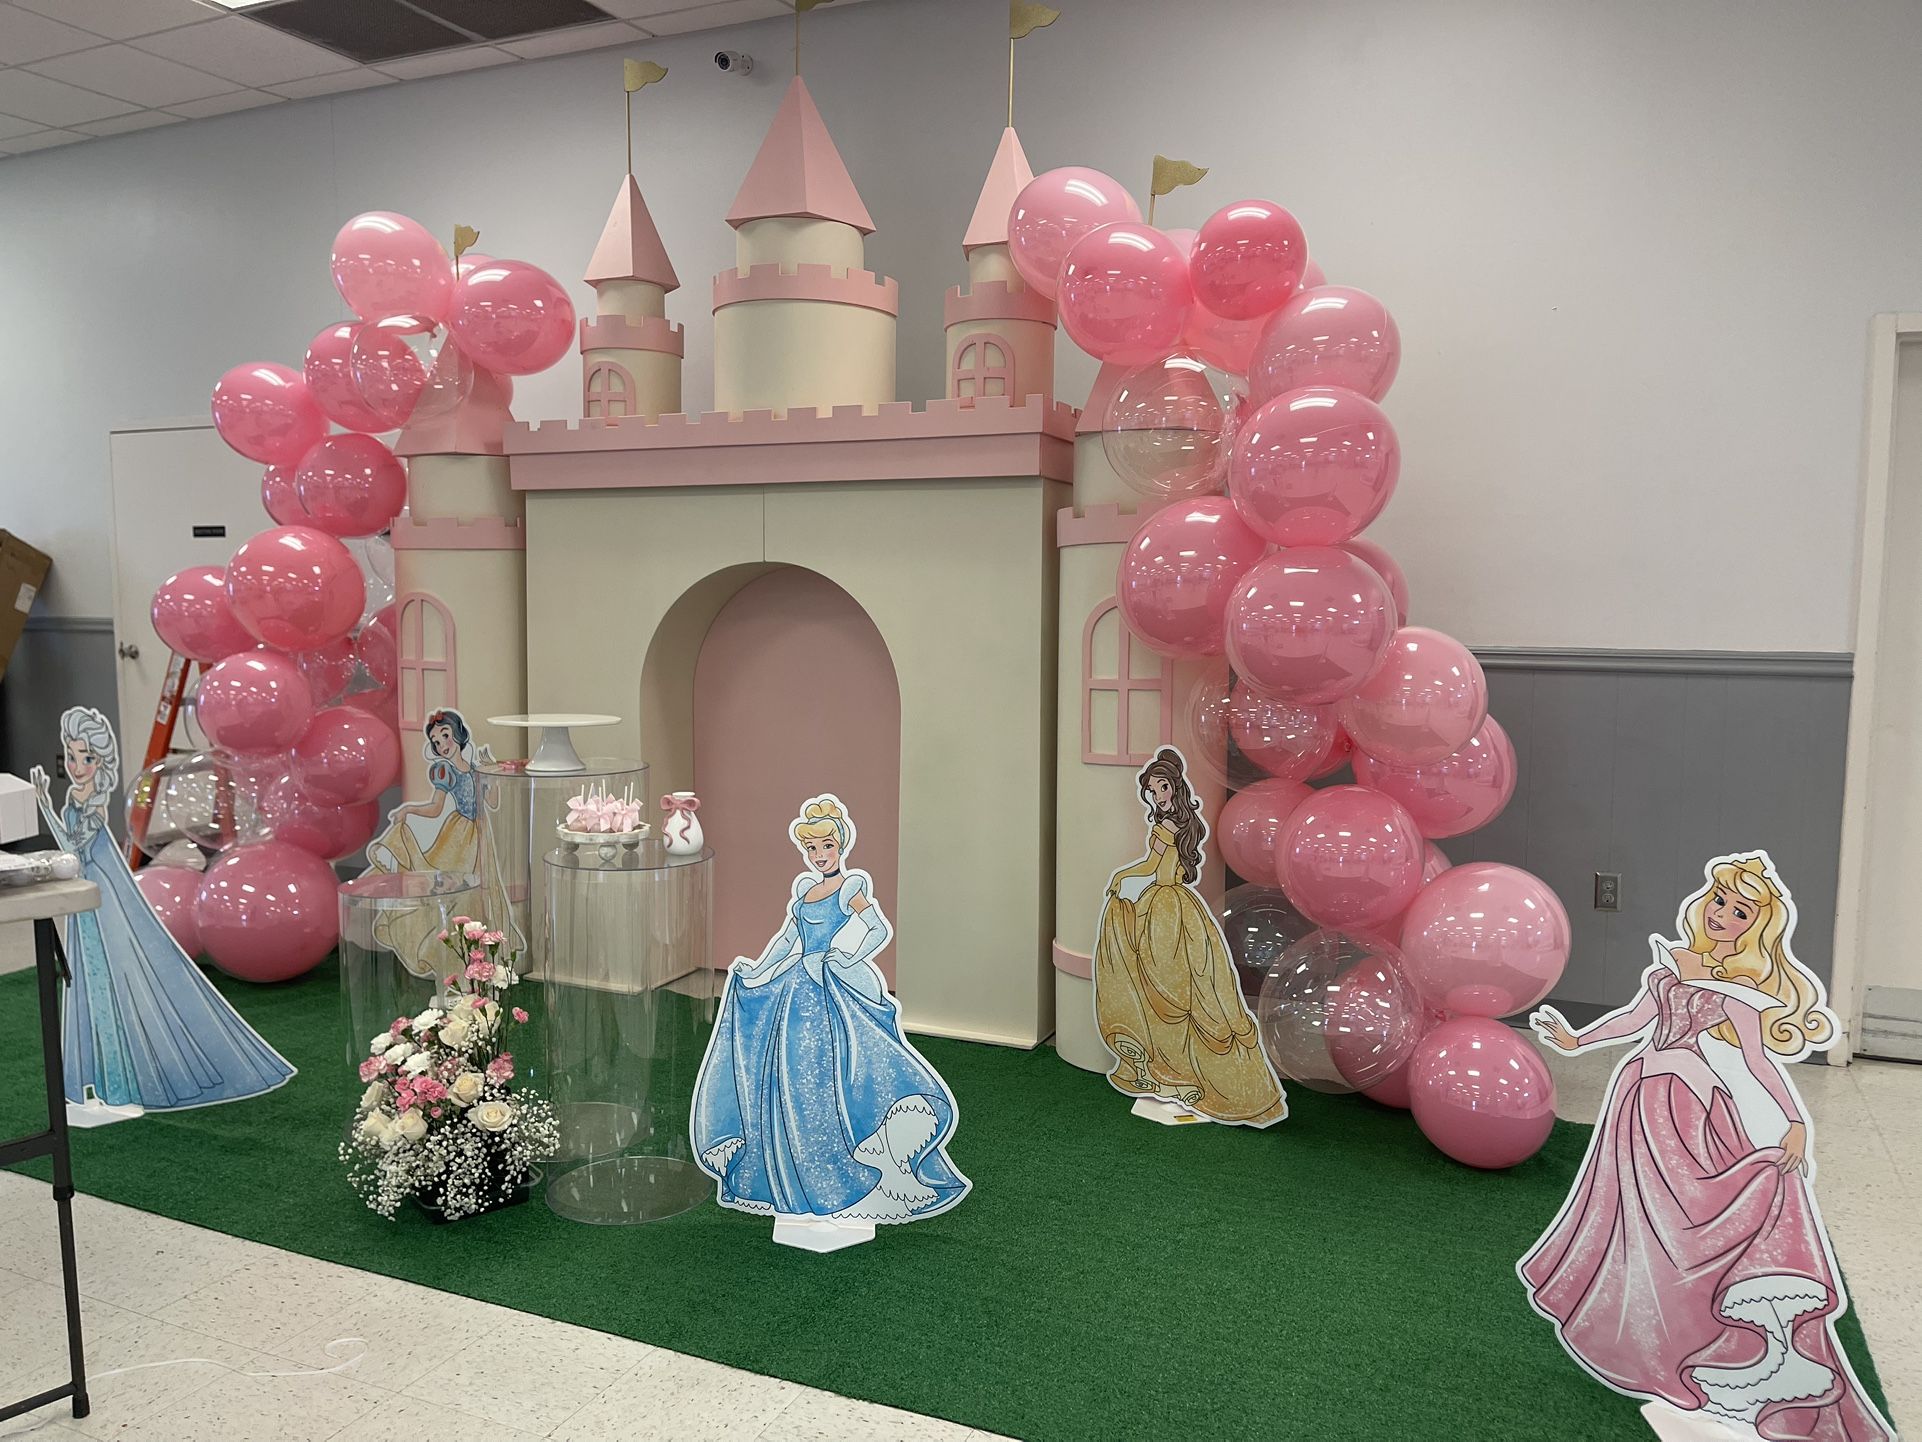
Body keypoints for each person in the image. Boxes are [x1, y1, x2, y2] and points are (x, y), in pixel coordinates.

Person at [1521, 853, 1894, 1442]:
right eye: (1720, 901)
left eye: (1741, 911)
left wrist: (1793, 1121)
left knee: (1693, 1213)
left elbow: (1758, 1061)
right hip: (1639, 1100)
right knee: (1638, 1218)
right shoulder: (1673, 963)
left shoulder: (1736, 991)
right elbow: (1635, 1020)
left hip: (1687, 1106)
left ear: (1756, 926)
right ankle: (1644, 1328)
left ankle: (1716, 1345)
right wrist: (1576, 1039)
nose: (1723, 914)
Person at [691, 795, 969, 1228]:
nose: (820, 855)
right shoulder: (804, 890)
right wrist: (758, 971)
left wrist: (846, 957)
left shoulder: (850, 887)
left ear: (841, 846)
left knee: (827, 1071)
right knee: (788, 1075)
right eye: (812, 849)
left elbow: (876, 928)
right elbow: (787, 939)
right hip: (794, 988)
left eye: (827, 847)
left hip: (826, 985)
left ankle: (843, 1158)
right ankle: (793, 1165)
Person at [31, 707, 294, 1119]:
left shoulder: (93, 806)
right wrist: (48, 804)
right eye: (73, 755)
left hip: (104, 903)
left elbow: (74, 849)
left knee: (113, 980)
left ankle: (118, 1086)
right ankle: (100, 1087)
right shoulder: (78, 804)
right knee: (91, 982)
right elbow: (71, 850)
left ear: (100, 763)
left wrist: (48, 805)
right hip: (87, 904)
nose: (78, 766)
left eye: (87, 757)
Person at [1093, 747, 1286, 1127]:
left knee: (1174, 986)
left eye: (1161, 787)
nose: (1157, 795)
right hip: (1179, 903)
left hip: (1166, 907)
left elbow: (1151, 866)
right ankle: (1179, 1070)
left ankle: (1180, 1069)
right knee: (1190, 986)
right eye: (1152, 790)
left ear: (1174, 786)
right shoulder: (1185, 823)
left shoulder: (1167, 827)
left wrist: (1121, 878)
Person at [366, 709, 518, 975]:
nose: (442, 744)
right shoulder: (445, 771)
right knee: (456, 887)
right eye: (436, 741)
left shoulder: (475, 769)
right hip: (458, 836)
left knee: (482, 890)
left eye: (445, 736)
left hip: (481, 836)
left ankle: (480, 955)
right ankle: (450, 954)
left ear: (458, 734)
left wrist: (490, 774)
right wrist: (408, 810)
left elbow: (491, 803)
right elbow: (435, 809)